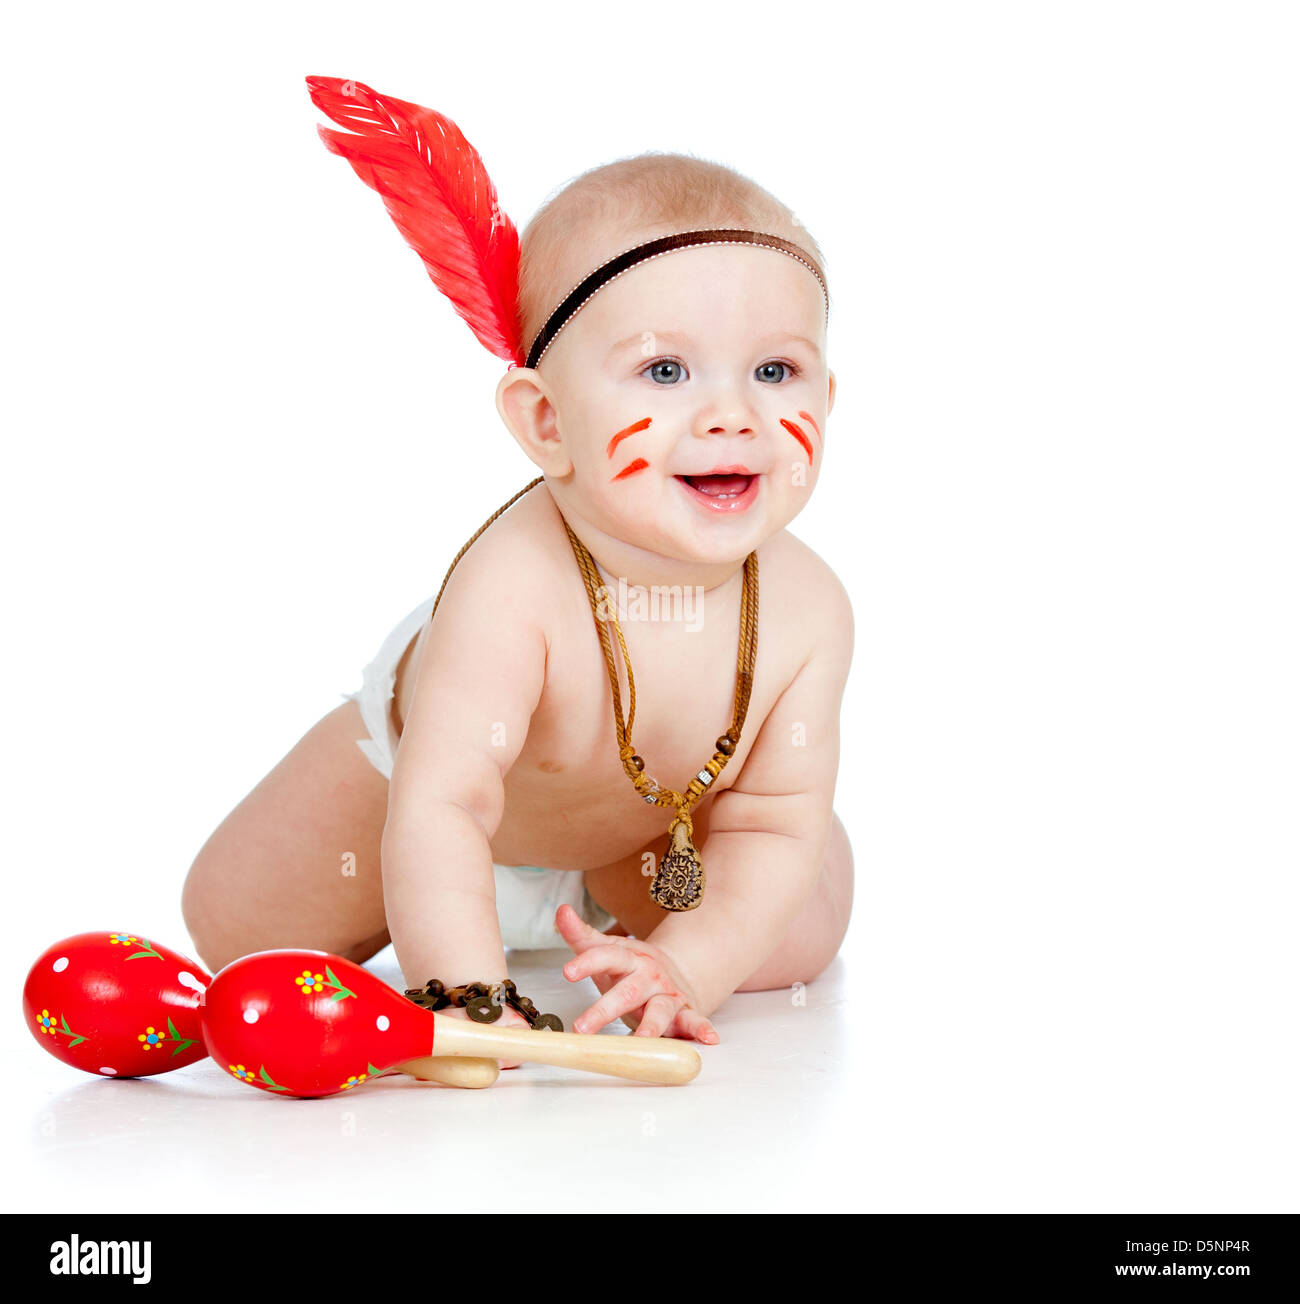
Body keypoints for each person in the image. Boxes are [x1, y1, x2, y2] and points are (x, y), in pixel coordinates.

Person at [182, 77, 854, 1067]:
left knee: (794, 934)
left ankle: (617, 916)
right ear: (546, 422)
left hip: (642, 836)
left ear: (827, 395)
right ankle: (457, 913)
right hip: (414, 799)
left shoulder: (808, 609)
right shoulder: (512, 588)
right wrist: (467, 998)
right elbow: (446, 800)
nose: (731, 415)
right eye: (665, 371)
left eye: (775, 371)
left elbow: (770, 821)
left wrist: (687, 966)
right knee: (237, 927)